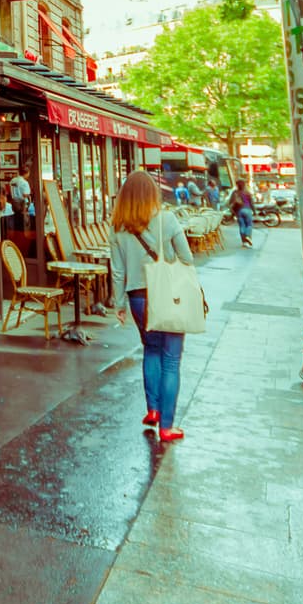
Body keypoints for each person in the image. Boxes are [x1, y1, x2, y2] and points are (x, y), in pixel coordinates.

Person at [109, 170, 194, 442]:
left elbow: (118, 272)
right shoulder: (167, 220)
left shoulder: (118, 227)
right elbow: (187, 258)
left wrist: (118, 302)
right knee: (171, 360)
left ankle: (153, 410)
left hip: (137, 298)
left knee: (151, 350)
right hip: (167, 295)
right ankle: (168, 426)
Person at [232, 179, 257, 247]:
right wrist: (254, 211)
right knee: (249, 225)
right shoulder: (247, 192)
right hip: (247, 210)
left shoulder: (235, 192)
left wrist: (233, 212)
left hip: (239, 211)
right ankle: (247, 236)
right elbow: (251, 203)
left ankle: (244, 242)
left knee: (242, 226)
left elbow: (231, 202)